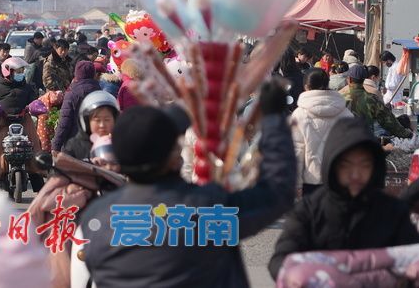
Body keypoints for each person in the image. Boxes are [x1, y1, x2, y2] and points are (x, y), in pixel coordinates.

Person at [78, 81, 296, 287]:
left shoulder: (95, 217)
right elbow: (277, 193)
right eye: (176, 143)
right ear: (174, 157)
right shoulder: (207, 209)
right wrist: (274, 119)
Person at [268, 117, 419, 279]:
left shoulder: (393, 212)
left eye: (364, 164)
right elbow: (279, 260)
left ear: (375, 166)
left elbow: (414, 256)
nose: (355, 174)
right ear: (332, 165)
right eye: (346, 165)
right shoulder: (309, 211)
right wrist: (302, 275)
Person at [291, 68, 353, 196]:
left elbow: (296, 153)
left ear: (306, 87)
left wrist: (295, 184)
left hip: (311, 182)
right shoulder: (346, 114)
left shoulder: (299, 115)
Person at [0, 57, 43, 189]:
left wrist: (34, 106)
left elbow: (34, 101)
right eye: (18, 71)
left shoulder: (28, 87)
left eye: (22, 70)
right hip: (3, 122)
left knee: (34, 147)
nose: (20, 73)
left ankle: (39, 185)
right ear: (8, 71)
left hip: (24, 121)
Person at [342, 64, 412, 139]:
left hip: (342, 142)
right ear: (364, 80)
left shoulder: (340, 97)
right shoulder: (372, 99)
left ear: (349, 79)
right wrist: (408, 134)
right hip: (365, 142)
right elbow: (389, 122)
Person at [51, 61, 101, 153]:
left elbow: (64, 122)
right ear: (94, 74)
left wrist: (56, 146)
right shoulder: (101, 93)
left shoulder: (72, 94)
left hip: (74, 145)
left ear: (77, 74)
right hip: (96, 144)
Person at [62, 90, 119, 161]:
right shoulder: (73, 146)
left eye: (107, 119)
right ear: (86, 121)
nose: (102, 125)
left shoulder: (121, 144)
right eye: (97, 120)